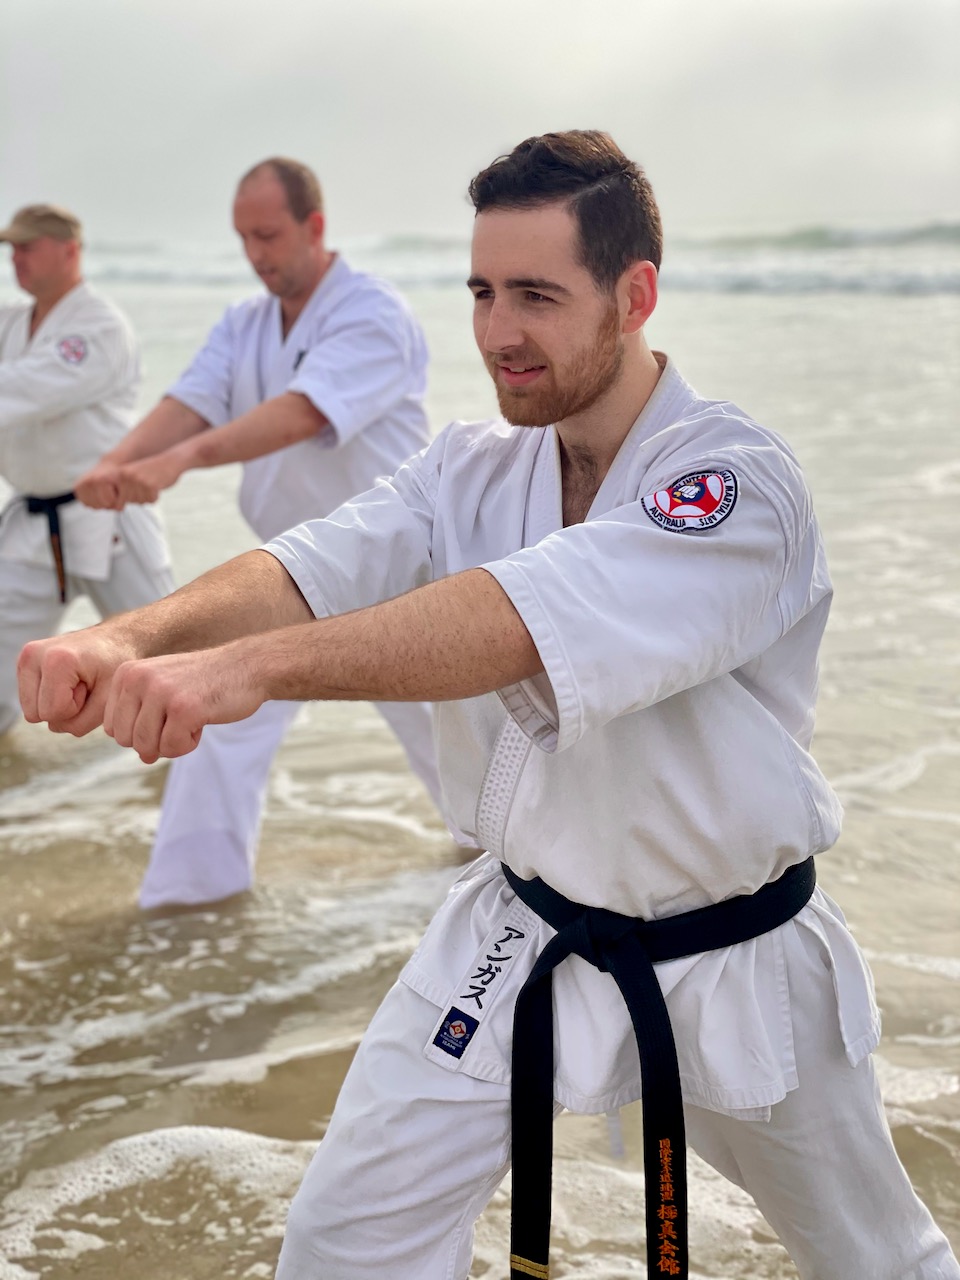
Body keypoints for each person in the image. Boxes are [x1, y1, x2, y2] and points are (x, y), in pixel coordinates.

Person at [18, 132, 958, 1280]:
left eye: (535, 296)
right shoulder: (471, 464)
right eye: (480, 291)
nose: (497, 330)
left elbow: (517, 616)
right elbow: (311, 561)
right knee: (342, 1245)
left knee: (878, 1261)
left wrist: (244, 671)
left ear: (635, 295)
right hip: (518, 928)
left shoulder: (732, 482)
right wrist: (125, 635)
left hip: (733, 949)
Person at [74, 157, 455, 909]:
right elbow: (191, 400)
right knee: (216, 717)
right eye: (244, 237)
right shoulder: (244, 323)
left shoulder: (371, 313)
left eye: (269, 235)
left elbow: (302, 413)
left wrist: (182, 460)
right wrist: (118, 463)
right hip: (293, 574)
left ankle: (512, 885)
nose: (255, 253)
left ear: (315, 226)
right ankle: (186, 904)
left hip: (404, 575)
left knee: (458, 750)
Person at [0, 204, 172, 738]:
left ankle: (197, 773)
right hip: (33, 521)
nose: (16, 258)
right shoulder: (11, 322)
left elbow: (23, 391)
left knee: (168, 663)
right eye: (11, 248)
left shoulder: (98, 326)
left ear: (69, 250)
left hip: (107, 516)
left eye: (28, 247)